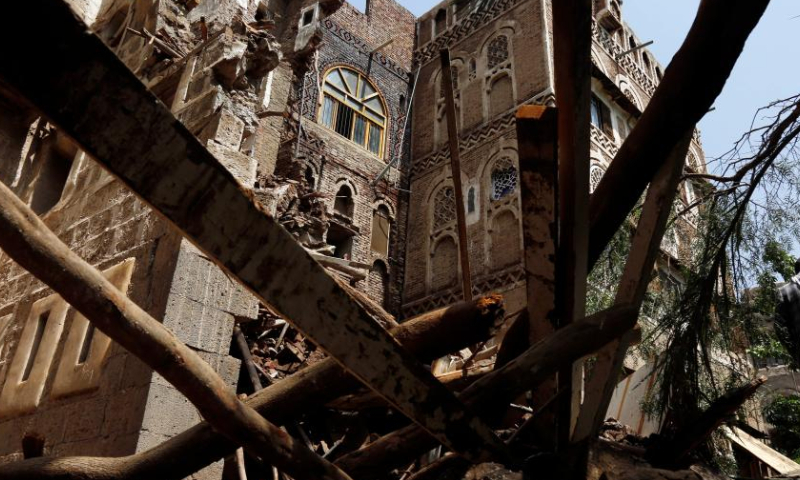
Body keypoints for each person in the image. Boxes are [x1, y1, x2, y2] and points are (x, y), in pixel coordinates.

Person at [775, 258, 800, 365]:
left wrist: (796, 354)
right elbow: (780, 327)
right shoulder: (785, 291)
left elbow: (780, 328)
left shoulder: (785, 291)